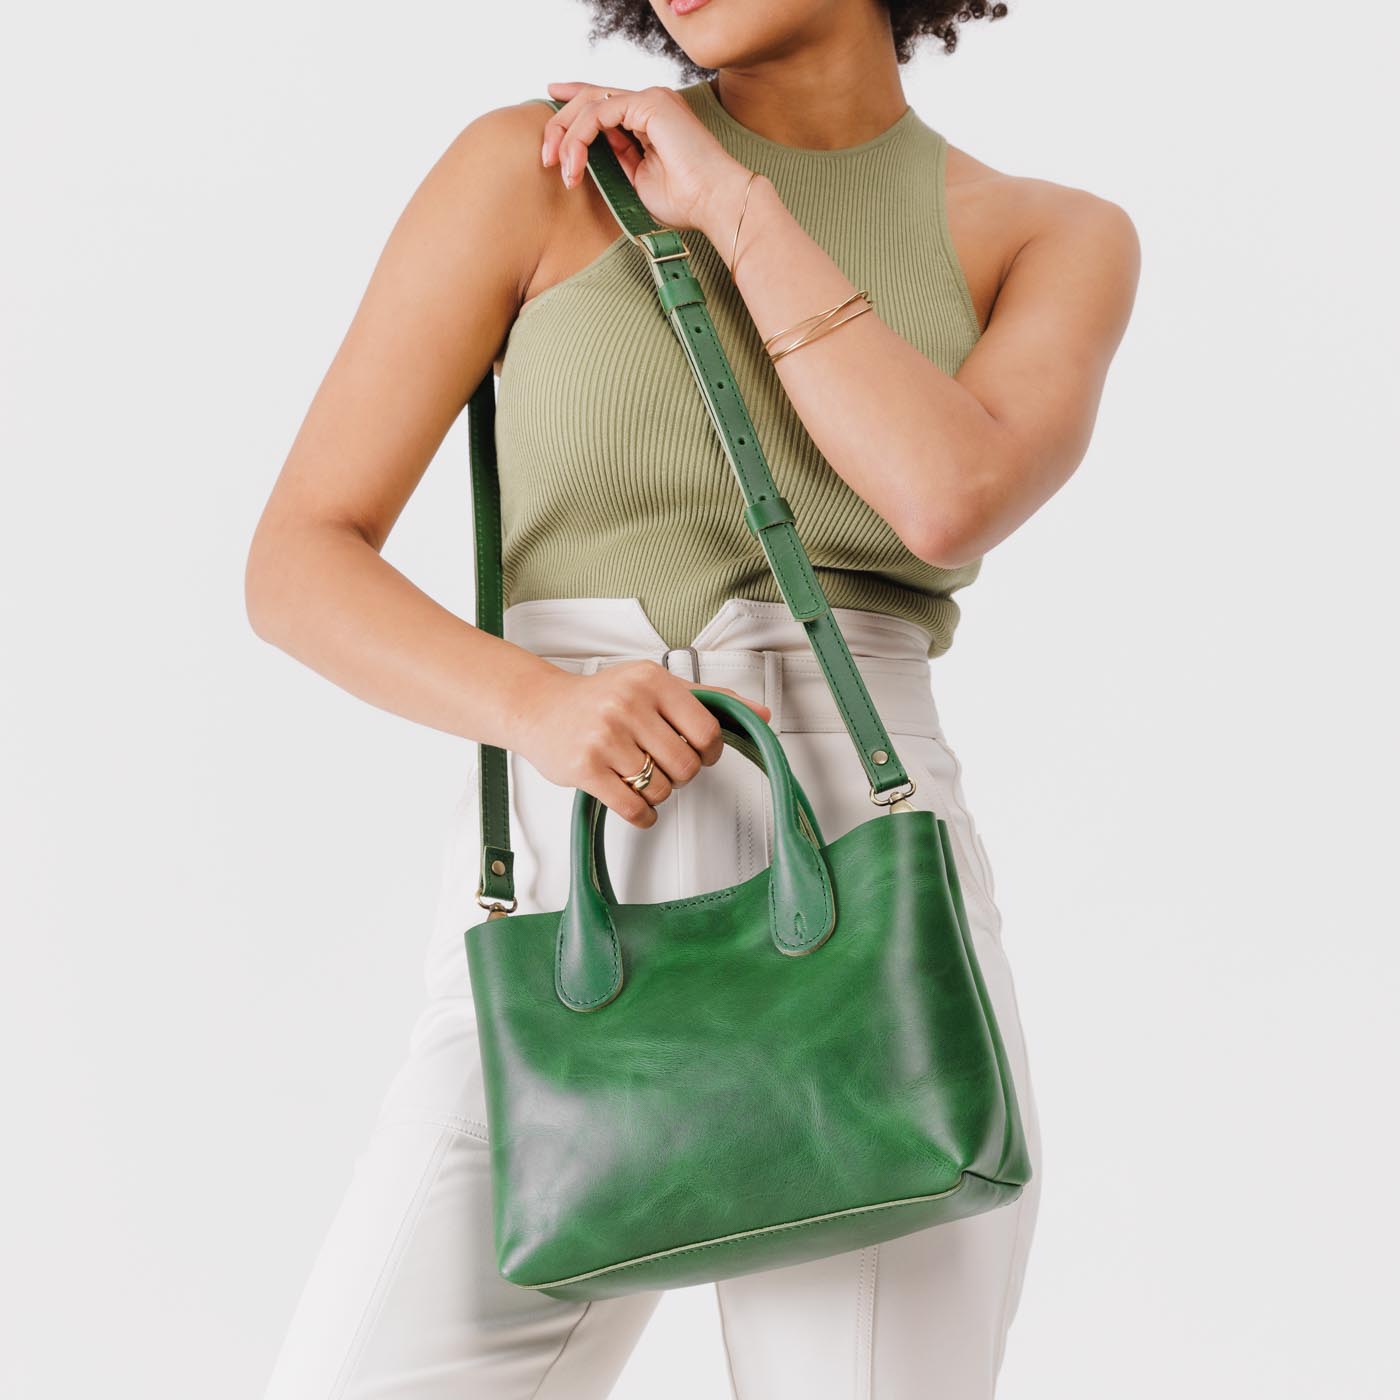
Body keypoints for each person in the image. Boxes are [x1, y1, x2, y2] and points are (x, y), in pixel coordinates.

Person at [244, 1, 1139, 1395]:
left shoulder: (1048, 233)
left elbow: (948, 497)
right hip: (573, 865)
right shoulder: (536, 170)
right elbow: (298, 562)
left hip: (868, 871)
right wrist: (538, 706)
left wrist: (735, 206)